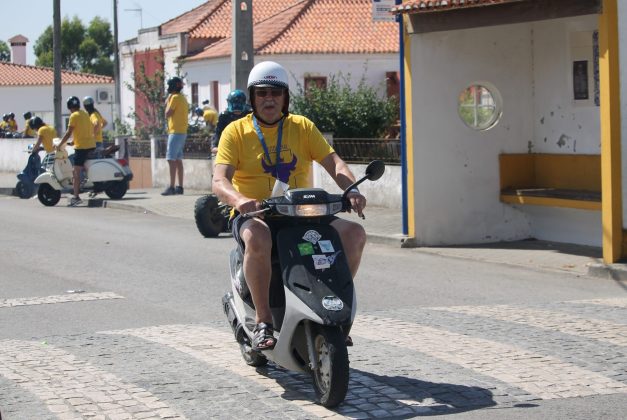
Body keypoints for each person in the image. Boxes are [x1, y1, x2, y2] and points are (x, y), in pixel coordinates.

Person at [212, 61, 367, 350]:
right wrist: (240, 200)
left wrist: (352, 189)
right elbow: (219, 181)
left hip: (302, 212)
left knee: (354, 234)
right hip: (257, 214)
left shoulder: (302, 127)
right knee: (258, 237)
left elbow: (334, 163)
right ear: (252, 97)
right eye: (262, 93)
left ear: (285, 98)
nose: (269, 99)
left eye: (276, 92)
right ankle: (263, 321)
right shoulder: (235, 131)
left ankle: (333, 304)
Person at [58, 96, 96, 207]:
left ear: (69, 107)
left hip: (82, 147)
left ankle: (76, 197)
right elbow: (83, 130)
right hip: (91, 145)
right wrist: (73, 142)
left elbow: (69, 132)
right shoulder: (85, 114)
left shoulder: (73, 116)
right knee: (82, 168)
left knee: (75, 172)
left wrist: (60, 144)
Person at [162, 76, 189, 196]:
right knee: (178, 160)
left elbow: (167, 113)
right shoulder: (182, 97)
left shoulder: (174, 97)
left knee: (171, 159)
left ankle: (172, 187)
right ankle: (180, 187)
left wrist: (169, 99)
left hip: (175, 132)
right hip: (182, 131)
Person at [210, 89, 251, 155]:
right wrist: (215, 146)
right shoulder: (224, 116)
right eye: (234, 104)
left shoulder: (250, 114)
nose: (237, 108)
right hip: (230, 146)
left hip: (248, 146)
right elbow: (218, 133)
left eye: (239, 104)